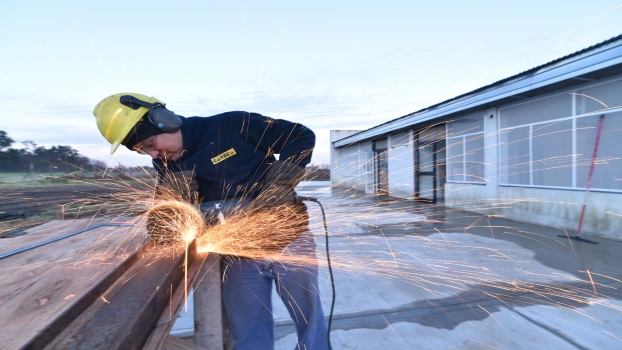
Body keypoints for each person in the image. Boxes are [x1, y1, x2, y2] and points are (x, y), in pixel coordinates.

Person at [93, 92, 330, 350]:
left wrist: (280, 184)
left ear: (164, 119)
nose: (153, 154)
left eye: (151, 143)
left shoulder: (233, 124)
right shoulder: (166, 163)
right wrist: (173, 202)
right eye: (144, 151)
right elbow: (164, 228)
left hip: (289, 241)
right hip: (237, 255)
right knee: (248, 331)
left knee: (308, 319)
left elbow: (300, 135)